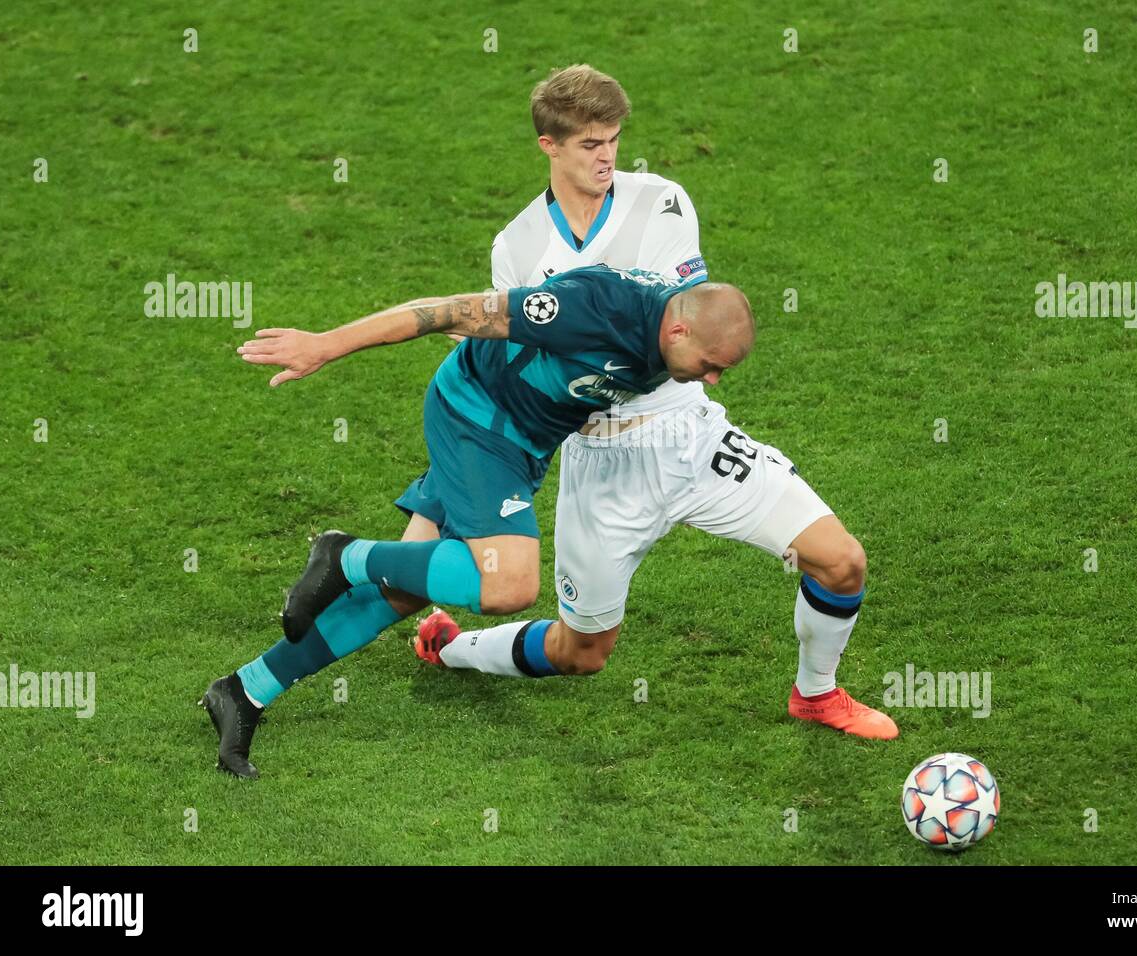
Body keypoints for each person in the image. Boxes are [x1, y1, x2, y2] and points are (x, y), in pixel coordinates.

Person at [407, 65, 898, 743]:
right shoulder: (516, 248)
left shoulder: (662, 202)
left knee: (841, 559)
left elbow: (676, 328)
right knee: (584, 654)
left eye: (613, 139)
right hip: (600, 462)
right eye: (590, 143)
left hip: (688, 437)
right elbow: (518, 377)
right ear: (550, 145)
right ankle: (453, 648)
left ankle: (816, 694)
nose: (608, 155)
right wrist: (456, 486)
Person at [202, 266, 752, 777]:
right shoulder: (599, 306)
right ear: (678, 330)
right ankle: (344, 555)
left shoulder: (672, 336)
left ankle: (244, 691)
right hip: (477, 420)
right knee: (509, 584)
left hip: (520, 445)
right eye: (712, 364)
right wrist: (326, 344)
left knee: (405, 588)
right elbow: (450, 311)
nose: (713, 379)